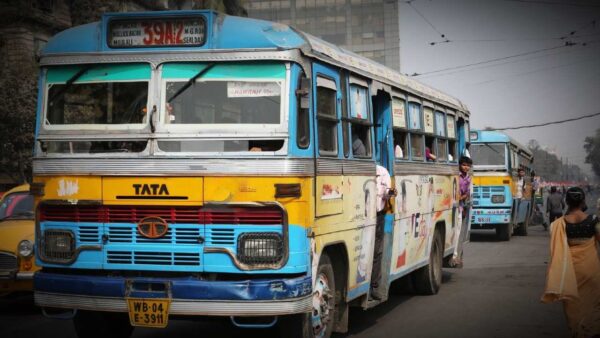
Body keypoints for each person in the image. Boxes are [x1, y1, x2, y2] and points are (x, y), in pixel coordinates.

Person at [542, 187, 600, 337]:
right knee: (592, 304)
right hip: (591, 271)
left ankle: (577, 332)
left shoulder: (560, 224)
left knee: (572, 305)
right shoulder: (593, 221)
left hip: (569, 273)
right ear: (583, 201)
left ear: (567, 201)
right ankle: (591, 331)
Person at [370, 164, 396, 300]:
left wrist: (390, 193)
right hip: (360, 216)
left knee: (376, 251)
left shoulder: (382, 171)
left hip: (378, 214)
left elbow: (387, 191)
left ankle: (373, 286)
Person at [451, 156, 472, 268]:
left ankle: (455, 256)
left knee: (458, 232)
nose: (466, 167)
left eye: (468, 166)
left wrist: (461, 197)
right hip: (452, 206)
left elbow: (467, 193)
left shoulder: (468, 178)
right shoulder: (456, 176)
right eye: (464, 165)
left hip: (460, 207)